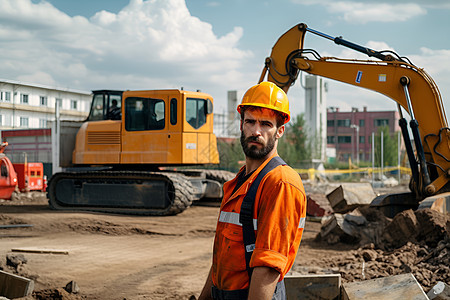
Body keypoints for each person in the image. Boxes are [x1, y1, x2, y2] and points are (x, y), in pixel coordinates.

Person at [199, 82, 307, 300]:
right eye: (250, 122)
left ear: (280, 131)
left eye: (266, 124)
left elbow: (268, 266)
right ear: (241, 125)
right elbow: (224, 257)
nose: (256, 131)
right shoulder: (239, 182)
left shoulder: (280, 183)